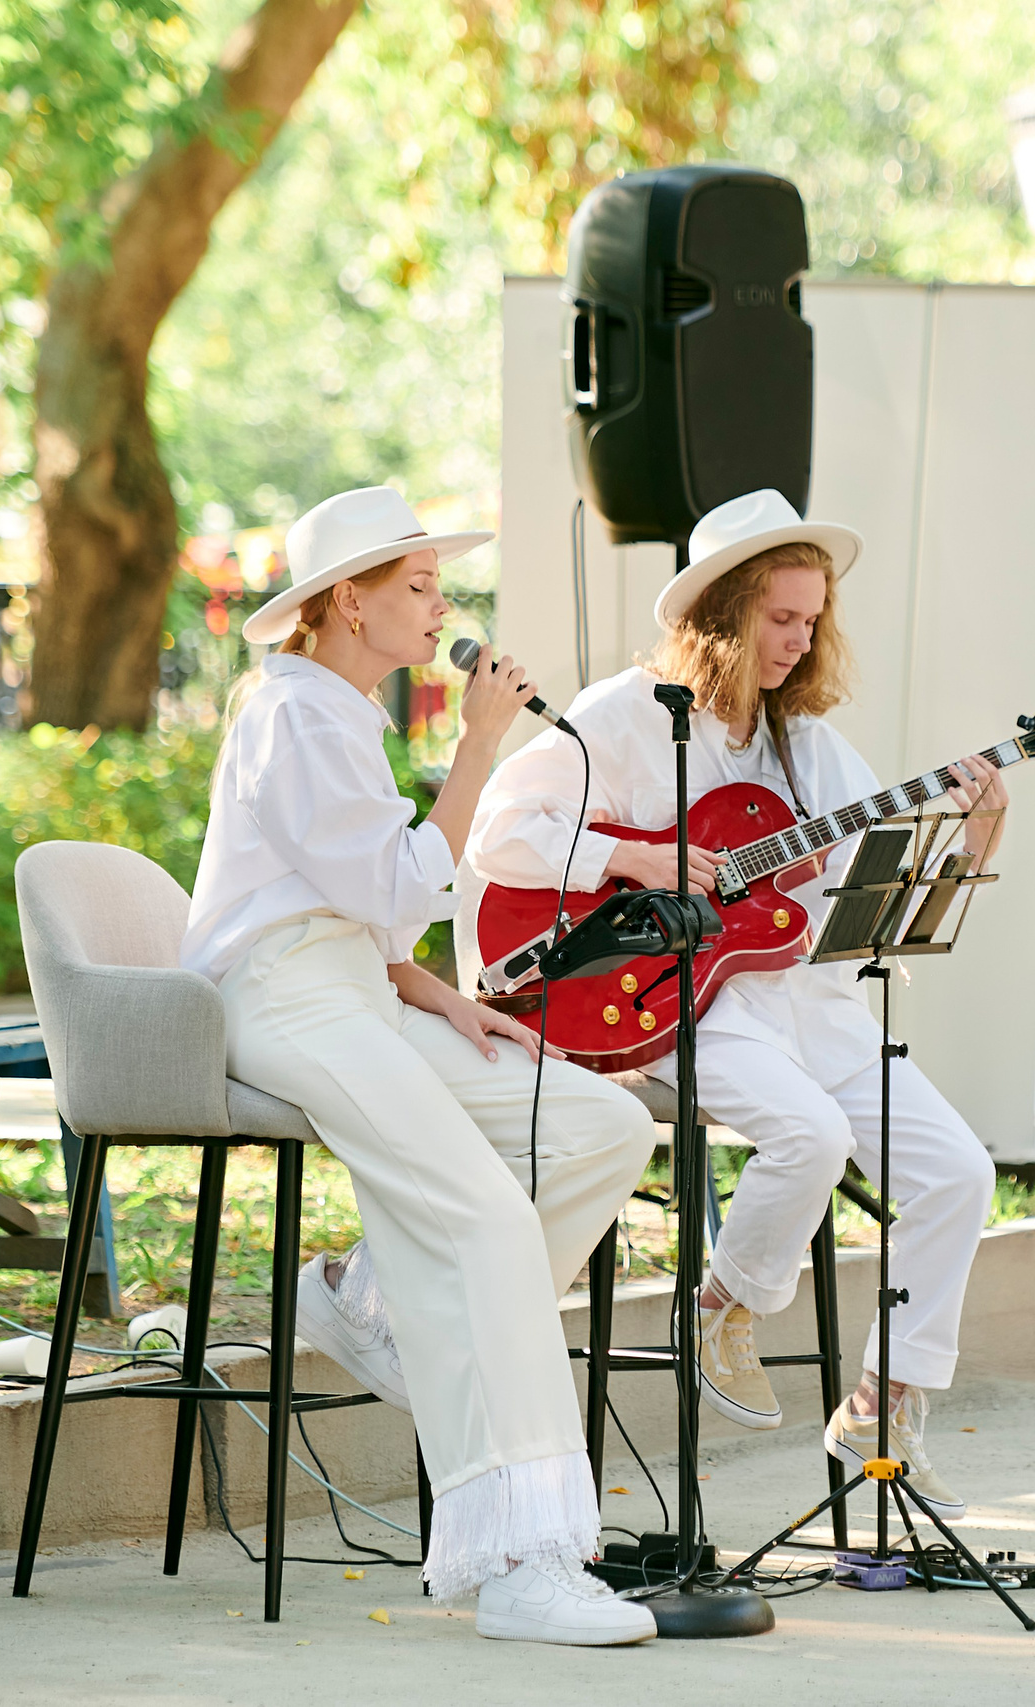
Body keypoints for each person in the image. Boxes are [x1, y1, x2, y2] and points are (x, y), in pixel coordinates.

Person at [464, 488, 1006, 1519]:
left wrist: (972, 838)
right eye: (780, 619)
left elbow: (872, 907)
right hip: (678, 1005)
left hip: (815, 1011)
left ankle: (882, 1410)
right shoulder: (626, 716)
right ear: (721, 615)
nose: (800, 642)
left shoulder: (810, 748)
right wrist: (635, 856)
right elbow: (500, 834)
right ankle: (720, 1306)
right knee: (809, 1134)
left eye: (812, 621)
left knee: (957, 1172)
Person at [183, 486, 658, 1646]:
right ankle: (520, 1563)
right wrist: (480, 745)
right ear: (348, 603)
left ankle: (376, 1307)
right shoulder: (293, 715)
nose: (443, 606)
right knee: (483, 1219)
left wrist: (441, 994)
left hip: (360, 990)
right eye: (418, 585)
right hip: (287, 1001)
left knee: (602, 1127)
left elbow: (373, 916)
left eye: (439, 584)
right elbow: (389, 886)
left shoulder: (338, 711)